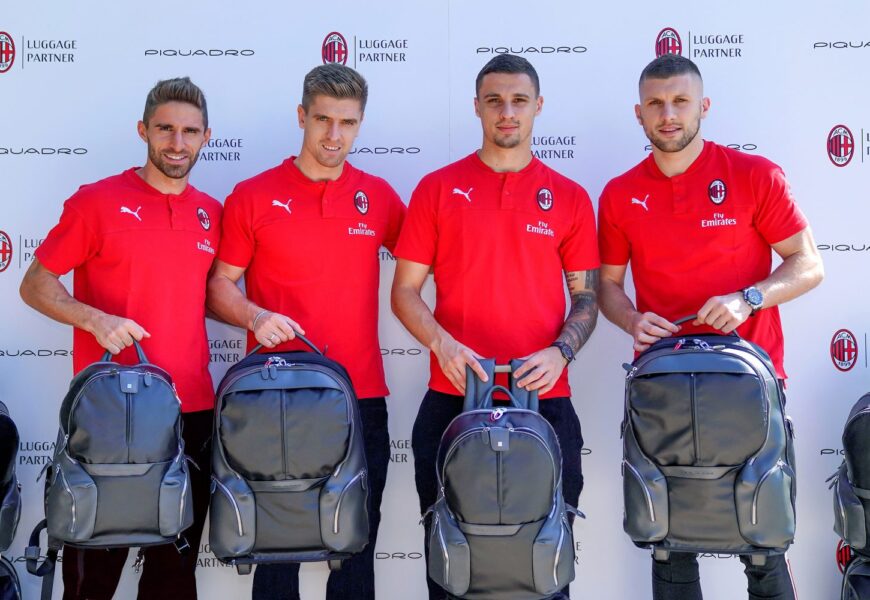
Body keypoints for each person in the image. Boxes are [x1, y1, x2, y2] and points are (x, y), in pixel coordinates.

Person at [597, 54, 824, 600]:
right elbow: (607, 286)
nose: (668, 114)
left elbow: (808, 264)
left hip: (749, 388)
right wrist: (631, 318)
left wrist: (750, 299)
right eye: (655, 104)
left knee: (763, 545)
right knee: (670, 546)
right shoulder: (620, 193)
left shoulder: (755, 176)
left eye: (680, 101)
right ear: (639, 113)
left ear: (704, 105)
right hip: (664, 391)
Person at [391, 54, 599, 600]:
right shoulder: (437, 189)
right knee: (453, 569)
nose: (507, 112)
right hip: (452, 399)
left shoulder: (570, 197)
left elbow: (586, 298)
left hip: (545, 402)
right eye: (494, 101)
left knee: (544, 569)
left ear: (538, 106)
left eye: (519, 100)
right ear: (477, 107)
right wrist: (441, 343)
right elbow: (404, 291)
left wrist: (560, 352)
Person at [205, 63, 405, 600]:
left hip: (360, 395)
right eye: (322, 119)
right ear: (301, 116)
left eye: (347, 122)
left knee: (355, 547)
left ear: (359, 125)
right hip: (274, 398)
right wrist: (255, 317)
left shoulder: (379, 197)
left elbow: (428, 264)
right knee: (276, 553)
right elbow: (218, 286)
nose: (333, 134)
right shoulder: (252, 195)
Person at [19, 77, 219, 599]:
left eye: (190, 131)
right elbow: (35, 284)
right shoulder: (96, 202)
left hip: (190, 413)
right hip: (111, 412)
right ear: (143, 130)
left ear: (206, 137)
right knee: (92, 577)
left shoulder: (211, 213)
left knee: (173, 576)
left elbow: (211, 296)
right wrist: (94, 319)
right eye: (165, 129)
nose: (177, 143)